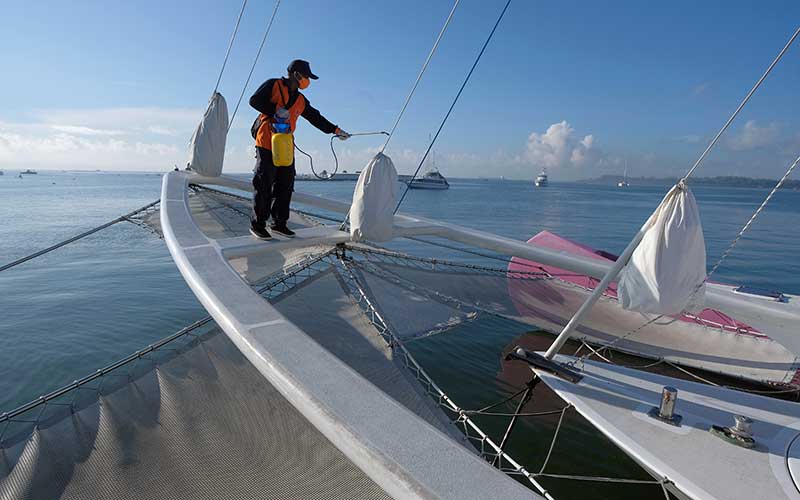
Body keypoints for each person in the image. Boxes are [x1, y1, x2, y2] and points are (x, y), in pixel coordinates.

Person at [248, 59, 349, 239]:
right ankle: (258, 224)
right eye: (306, 77)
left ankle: (279, 224)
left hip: (285, 145)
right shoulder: (273, 85)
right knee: (263, 182)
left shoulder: (301, 100)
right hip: (265, 141)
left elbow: (315, 118)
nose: (307, 81)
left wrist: (335, 130)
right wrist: (275, 110)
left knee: (286, 183)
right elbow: (254, 100)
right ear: (296, 74)